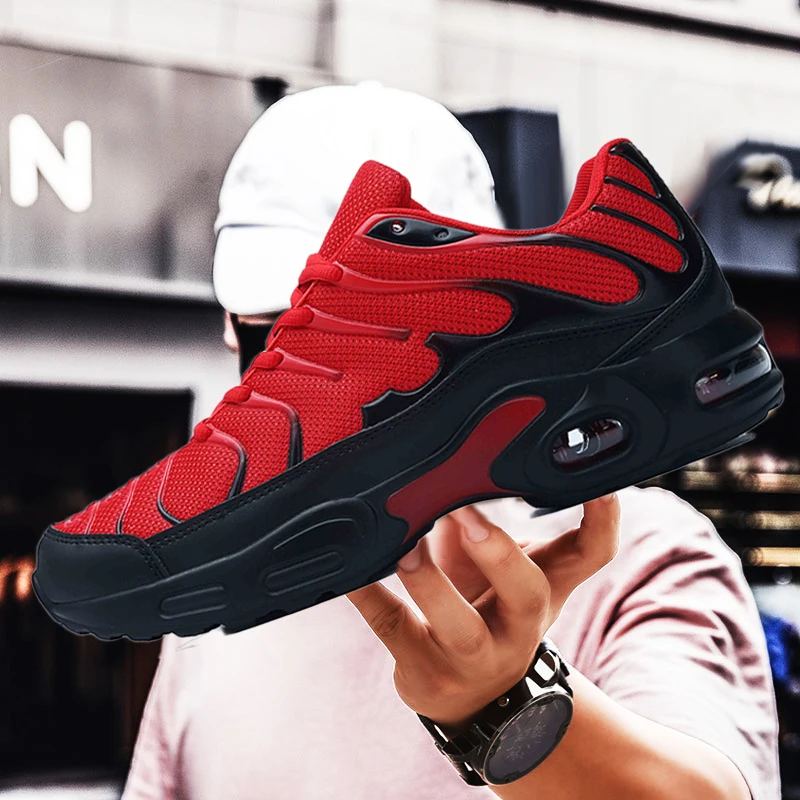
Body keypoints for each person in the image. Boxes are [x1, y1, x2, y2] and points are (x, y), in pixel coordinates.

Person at [123, 83, 780, 800]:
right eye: (296, 332)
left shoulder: (637, 551)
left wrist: (506, 709)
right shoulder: (213, 590)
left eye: (392, 330)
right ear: (232, 327)